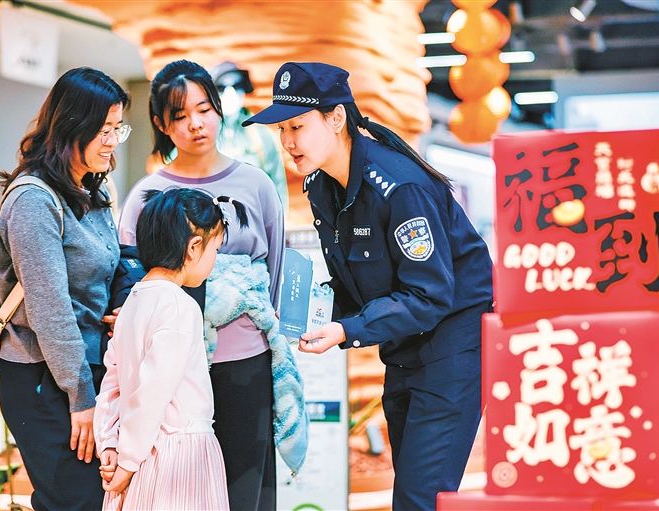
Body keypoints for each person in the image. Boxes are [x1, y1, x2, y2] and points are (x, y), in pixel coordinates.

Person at [243, 62, 494, 511]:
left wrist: (345, 330)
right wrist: (303, 311)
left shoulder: (400, 188)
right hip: (403, 351)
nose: (287, 142)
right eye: (282, 130)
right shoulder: (322, 187)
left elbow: (429, 295)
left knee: (420, 499)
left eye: (297, 126)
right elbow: (352, 284)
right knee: (414, 495)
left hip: (453, 352)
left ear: (336, 118)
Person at [117, 59, 285, 511]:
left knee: (246, 490)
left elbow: (275, 269)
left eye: (204, 109)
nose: (196, 124)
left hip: (244, 362)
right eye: (180, 115)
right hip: (170, 372)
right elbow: (131, 282)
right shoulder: (147, 195)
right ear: (160, 124)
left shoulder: (256, 184)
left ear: (218, 109)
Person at [0, 67, 130, 511]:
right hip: (45, 379)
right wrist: (81, 397)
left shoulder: (90, 189)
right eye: (104, 130)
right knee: (76, 501)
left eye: (118, 129)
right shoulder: (33, 200)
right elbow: (50, 312)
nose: (112, 141)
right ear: (72, 126)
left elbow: (110, 266)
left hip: (84, 372)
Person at [95, 188, 246, 510]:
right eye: (215, 249)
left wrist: (110, 443)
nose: (215, 259)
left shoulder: (132, 301)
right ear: (194, 247)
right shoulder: (179, 306)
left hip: (137, 449)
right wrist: (128, 462)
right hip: (176, 457)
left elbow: (112, 385)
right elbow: (153, 393)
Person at [210, 61, 289, 212]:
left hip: (255, 221)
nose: (230, 93)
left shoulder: (261, 136)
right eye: (221, 88)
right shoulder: (200, 135)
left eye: (237, 86)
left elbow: (278, 191)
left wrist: (277, 224)